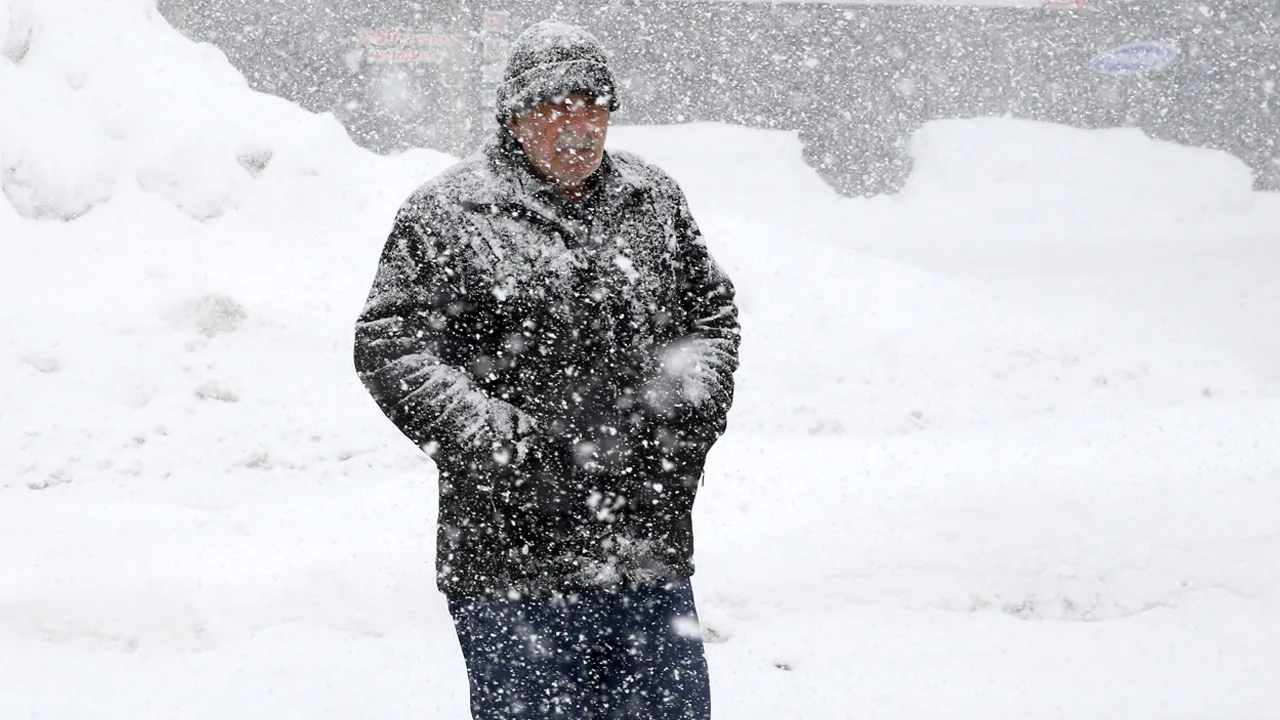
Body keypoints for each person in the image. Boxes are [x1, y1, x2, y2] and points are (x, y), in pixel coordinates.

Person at [353, 19, 739, 720]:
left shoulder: (654, 201)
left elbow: (709, 316)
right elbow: (390, 344)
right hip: (511, 569)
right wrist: (503, 445)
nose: (577, 126)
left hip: (646, 550)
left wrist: (684, 410)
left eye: (593, 106)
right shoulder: (448, 215)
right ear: (513, 117)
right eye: (554, 107)